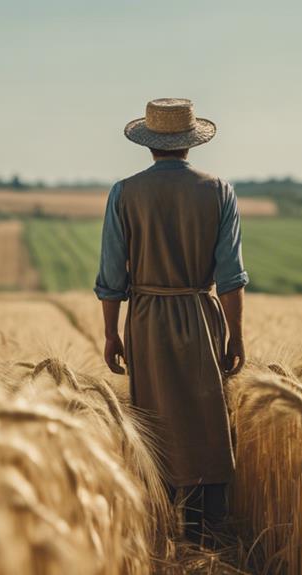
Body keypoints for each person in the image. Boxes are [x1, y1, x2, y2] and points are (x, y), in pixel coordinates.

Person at [94, 98, 248, 547]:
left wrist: (110, 332)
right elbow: (231, 278)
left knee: (154, 421)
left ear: (149, 143)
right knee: (206, 418)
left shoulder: (125, 192)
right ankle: (208, 534)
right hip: (201, 315)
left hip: (145, 318)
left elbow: (111, 275)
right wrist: (236, 335)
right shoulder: (218, 190)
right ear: (189, 142)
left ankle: (159, 526)